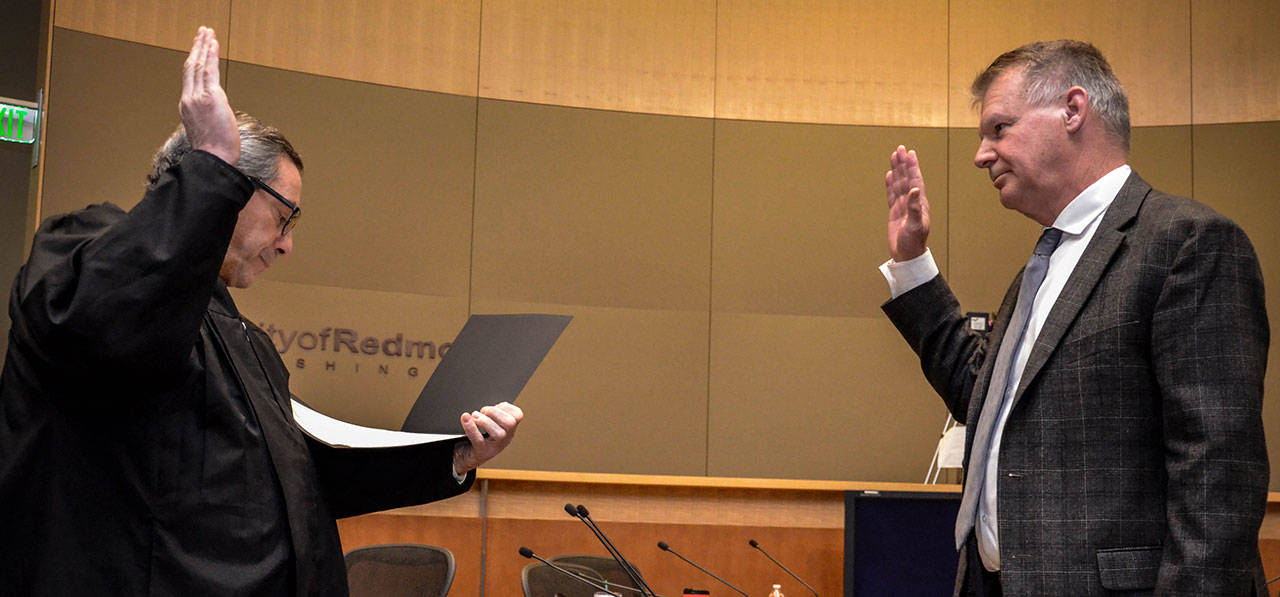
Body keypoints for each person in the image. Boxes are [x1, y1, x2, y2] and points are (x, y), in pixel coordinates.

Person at [0, 27, 522, 595]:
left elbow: (305, 479)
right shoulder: (82, 252)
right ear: (227, 186)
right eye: (284, 217)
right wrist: (210, 166)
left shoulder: (243, 337)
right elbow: (107, 328)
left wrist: (455, 456)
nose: (287, 245)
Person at [881, 40, 1269, 595]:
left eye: (998, 129)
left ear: (1072, 109)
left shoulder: (1188, 242)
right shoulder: (1041, 268)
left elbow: (1218, 473)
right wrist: (912, 263)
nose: (981, 155)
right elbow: (981, 399)